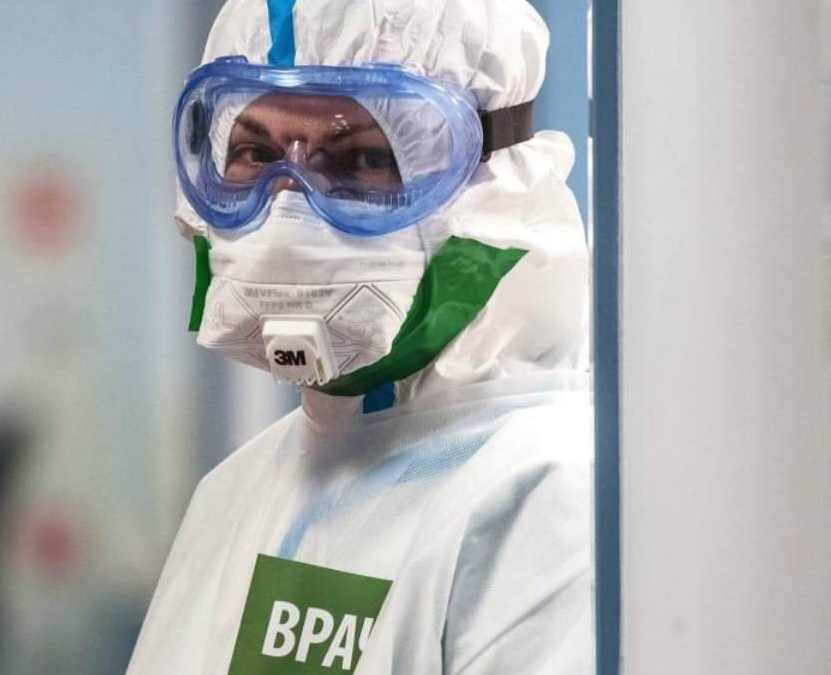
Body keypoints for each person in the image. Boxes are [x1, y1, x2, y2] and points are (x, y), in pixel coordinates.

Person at [128, 0, 593, 673]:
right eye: (254, 152)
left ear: (494, 184)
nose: (288, 212)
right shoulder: (238, 489)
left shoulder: (547, 494)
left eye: (364, 158)